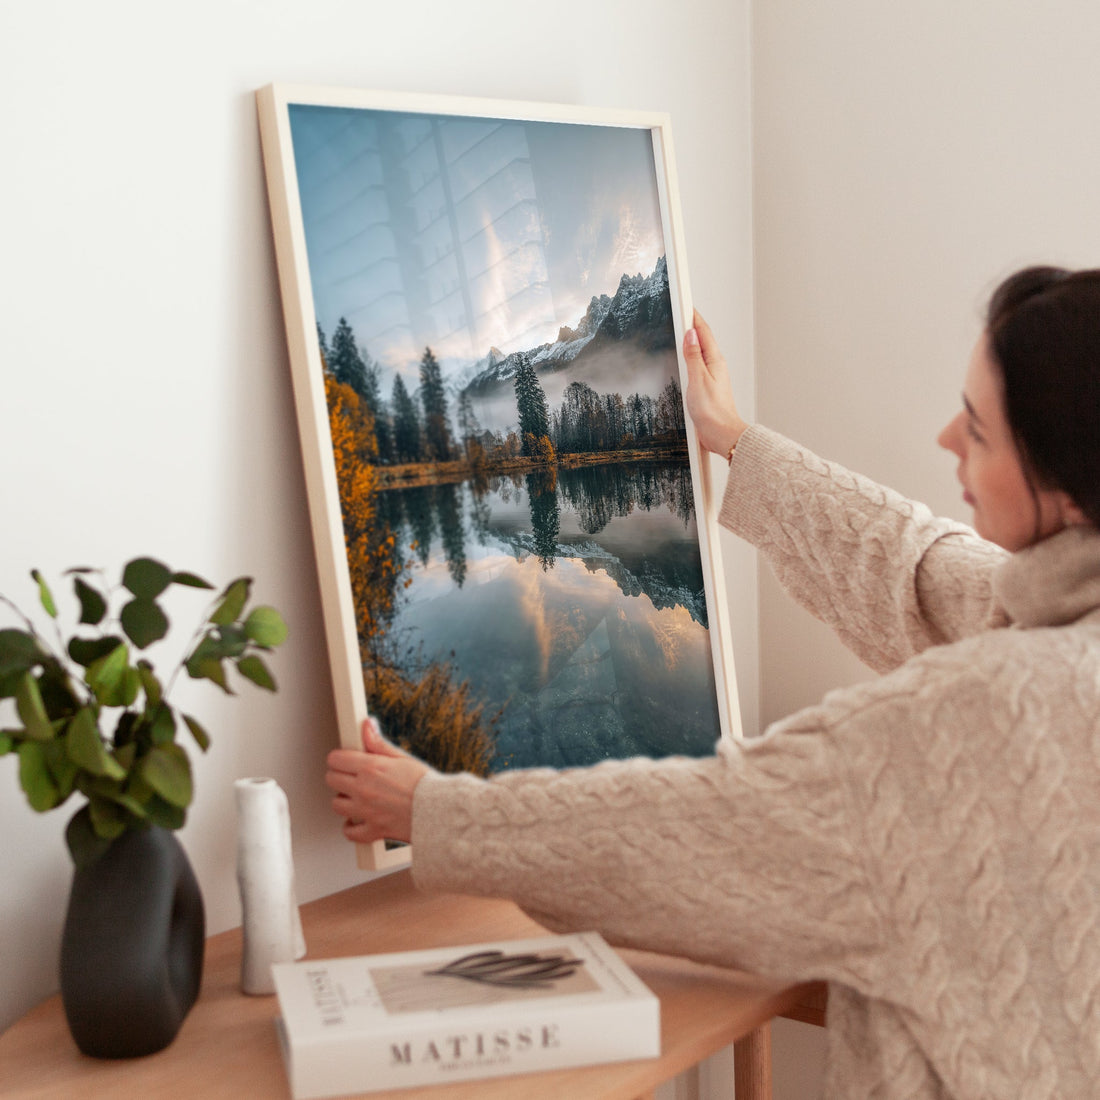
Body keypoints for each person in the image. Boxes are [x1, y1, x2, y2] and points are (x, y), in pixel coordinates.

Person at [326, 266, 1100, 1099]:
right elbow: (916, 570)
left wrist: (435, 813)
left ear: (1067, 489)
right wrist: (734, 440)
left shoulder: (980, 717)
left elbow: (702, 828)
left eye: (979, 430)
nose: (947, 437)